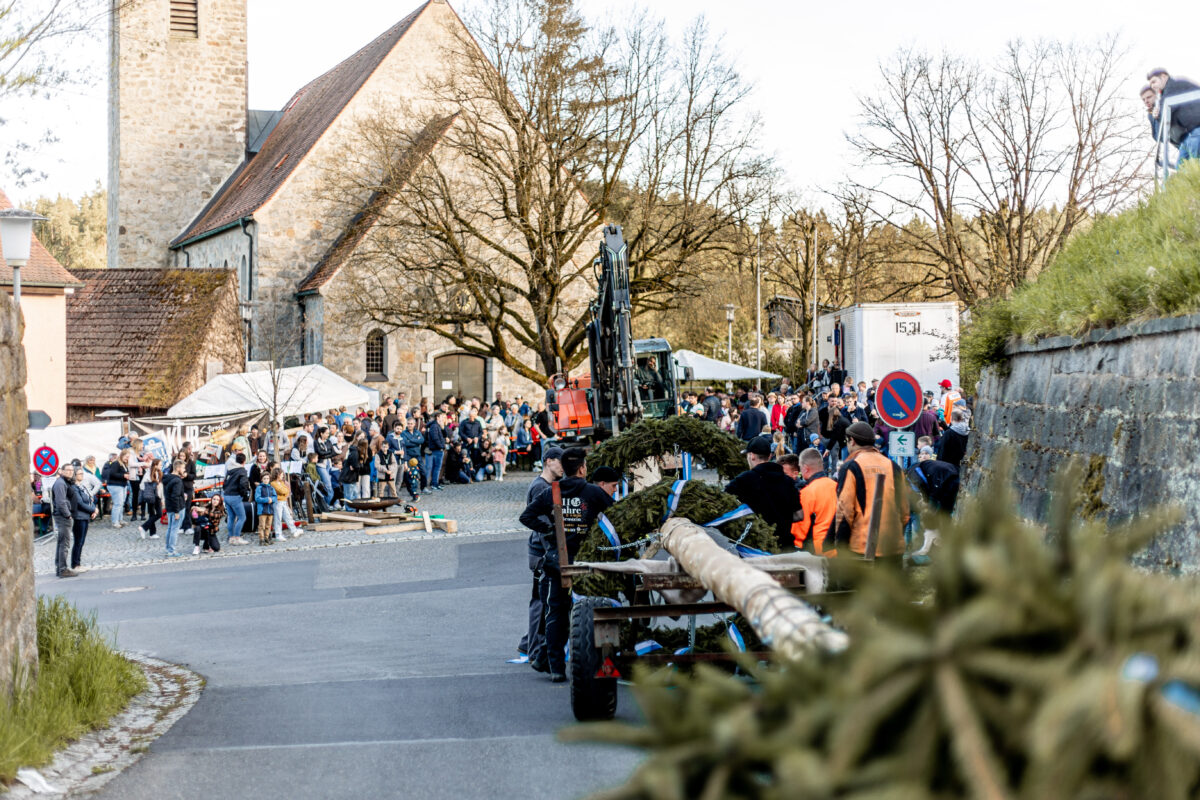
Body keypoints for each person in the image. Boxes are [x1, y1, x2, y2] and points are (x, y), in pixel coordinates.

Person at [519, 447, 614, 682]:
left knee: (556, 614)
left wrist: (551, 529)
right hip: (586, 561)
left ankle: (556, 668)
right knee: (592, 610)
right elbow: (616, 516)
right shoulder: (593, 492)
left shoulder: (552, 491)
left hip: (557, 561)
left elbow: (526, 517)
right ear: (582, 469)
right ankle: (598, 661)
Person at [833, 422, 910, 563]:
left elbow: (845, 511)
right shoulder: (894, 467)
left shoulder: (851, 466)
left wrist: (841, 547)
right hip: (893, 547)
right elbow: (905, 511)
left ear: (852, 441)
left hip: (861, 547)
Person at [518, 445, 564, 669]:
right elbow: (541, 523)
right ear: (549, 461)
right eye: (560, 462)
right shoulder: (540, 487)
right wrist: (552, 548)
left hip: (540, 550)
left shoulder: (545, 485)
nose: (563, 467)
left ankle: (528, 643)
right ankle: (534, 649)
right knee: (540, 602)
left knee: (540, 600)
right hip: (541, 551)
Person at [724, 435, 801, 552]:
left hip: (754, 548)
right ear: (770, 456)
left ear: (752, 456)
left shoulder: (743, 480)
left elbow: (723, 502)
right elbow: (800, 515)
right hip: (785, 547)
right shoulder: (788, 481)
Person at [907, 445, 960, 559]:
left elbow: (920, 483)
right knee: (945, 515)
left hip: (944, 482)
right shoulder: (925, 466)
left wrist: (926, 500)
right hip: (954, 478)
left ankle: (928, 548)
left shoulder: (912, 471)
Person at [1147, 68, 1200, 163]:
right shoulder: (1167, 91)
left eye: (1154, 82)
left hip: (1195, 130)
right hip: (1187, 136)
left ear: (1163, 77)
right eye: (1150, 84)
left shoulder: (1173, 86)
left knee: (1193, 163)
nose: (1152, 86)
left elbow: (1166, 111)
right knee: (1181, 166)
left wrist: (1158, 114)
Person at [794, 448, 837, 555]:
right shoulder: (837, 486)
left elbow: (799, 530)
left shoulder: (807, 492)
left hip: (819, 551)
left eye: (800, 467)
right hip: (839, 549)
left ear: (805, 468)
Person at [69, 464, 99, 571]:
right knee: (78, 541)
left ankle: (78, 563)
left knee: (81, 541)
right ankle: (75, 564)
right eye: (80, 473)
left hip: (85, 516)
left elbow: (89, 499)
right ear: (74, 475)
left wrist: (93, 509)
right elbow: (80, 503)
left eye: (82, 473)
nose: (82, 475)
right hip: (79, 517)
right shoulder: (73, 488)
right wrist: (93, 510)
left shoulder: (81, 486)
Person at [223, 452, 251, 545]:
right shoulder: (242, 470)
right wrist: (243, 494)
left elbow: (224, 482)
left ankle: (231, 538)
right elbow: (244, 484)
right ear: (244, 461)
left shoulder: (229, 469)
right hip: (235, 496)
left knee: (231, 517)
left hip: (226, 495)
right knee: (242, 517)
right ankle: (237, 537)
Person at [162, 460, 187, 557]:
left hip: (169, 506)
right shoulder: (177, 480)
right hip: (177, 507)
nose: (184, 470)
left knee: (170, 528)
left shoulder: (167, 478)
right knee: (174, 529)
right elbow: (175, 496)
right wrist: (177, 511)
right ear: (178, 468)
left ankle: (168, 548)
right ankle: (171, 550)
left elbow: (171, 494)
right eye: (183, 468)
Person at [270, 466, 301, 541]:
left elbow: (287, 490)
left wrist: (285, 492)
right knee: (278, 518)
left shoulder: (280, 482)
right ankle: (278, 534)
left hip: (283, 501)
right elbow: (282, 491)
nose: (282, 475)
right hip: (278, 502)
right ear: (277, 475)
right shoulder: (273, 483)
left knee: (288, 517)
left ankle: (294, 530)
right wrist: (284, 492)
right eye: (281, 474)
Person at [138, 459, 164, 540]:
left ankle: (144, 527)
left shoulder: (159, 473)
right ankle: (152, 533)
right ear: (155, 465)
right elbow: (142, 485)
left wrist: (162, 498)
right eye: (160, 465)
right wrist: (151, 486)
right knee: (152, 514)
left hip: (158, 496)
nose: (161, 466)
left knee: (159, 513)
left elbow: (161, 487)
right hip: (151, 496)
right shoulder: (149, 473)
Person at [425, 411, 447, 491]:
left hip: (438, 449)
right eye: (441, 417)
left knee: (436, 468)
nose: (443, 419)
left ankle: (435, 483)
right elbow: (435, 438)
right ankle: (434, 484)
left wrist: (442, 427)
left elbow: (445, 435)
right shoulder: (434, 426)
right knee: (436, 468)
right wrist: (441, 446)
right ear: (437, 417)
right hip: (437, 450)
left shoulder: (437, 426)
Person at [254, 473, 277, 546]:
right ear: (262, 479)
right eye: (264, 479)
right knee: (262, 526)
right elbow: (257, 498)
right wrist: (267, 499)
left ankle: (267, 538)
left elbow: (275, 497)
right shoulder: (259, 488)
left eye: (267, 478)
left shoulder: (271, 488)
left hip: (270, 509)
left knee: (268, 525)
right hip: (262, 510)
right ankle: (261, 539)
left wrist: (272, 499)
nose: (266, 480)